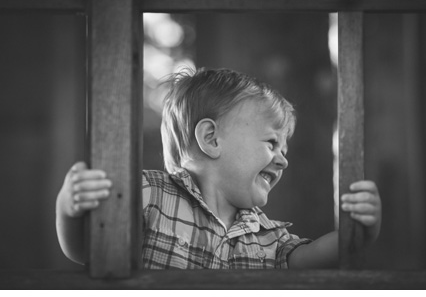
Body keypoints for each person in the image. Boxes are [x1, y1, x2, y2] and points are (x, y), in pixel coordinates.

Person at [56, 67, 382, 269]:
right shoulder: (148, 194)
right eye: (271, 143)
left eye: (284, 149)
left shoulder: (267, 236)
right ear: (211, 138)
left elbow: (312, 259)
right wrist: (69, 211)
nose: (283, 159)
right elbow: (89, 250)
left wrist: (359, 231)